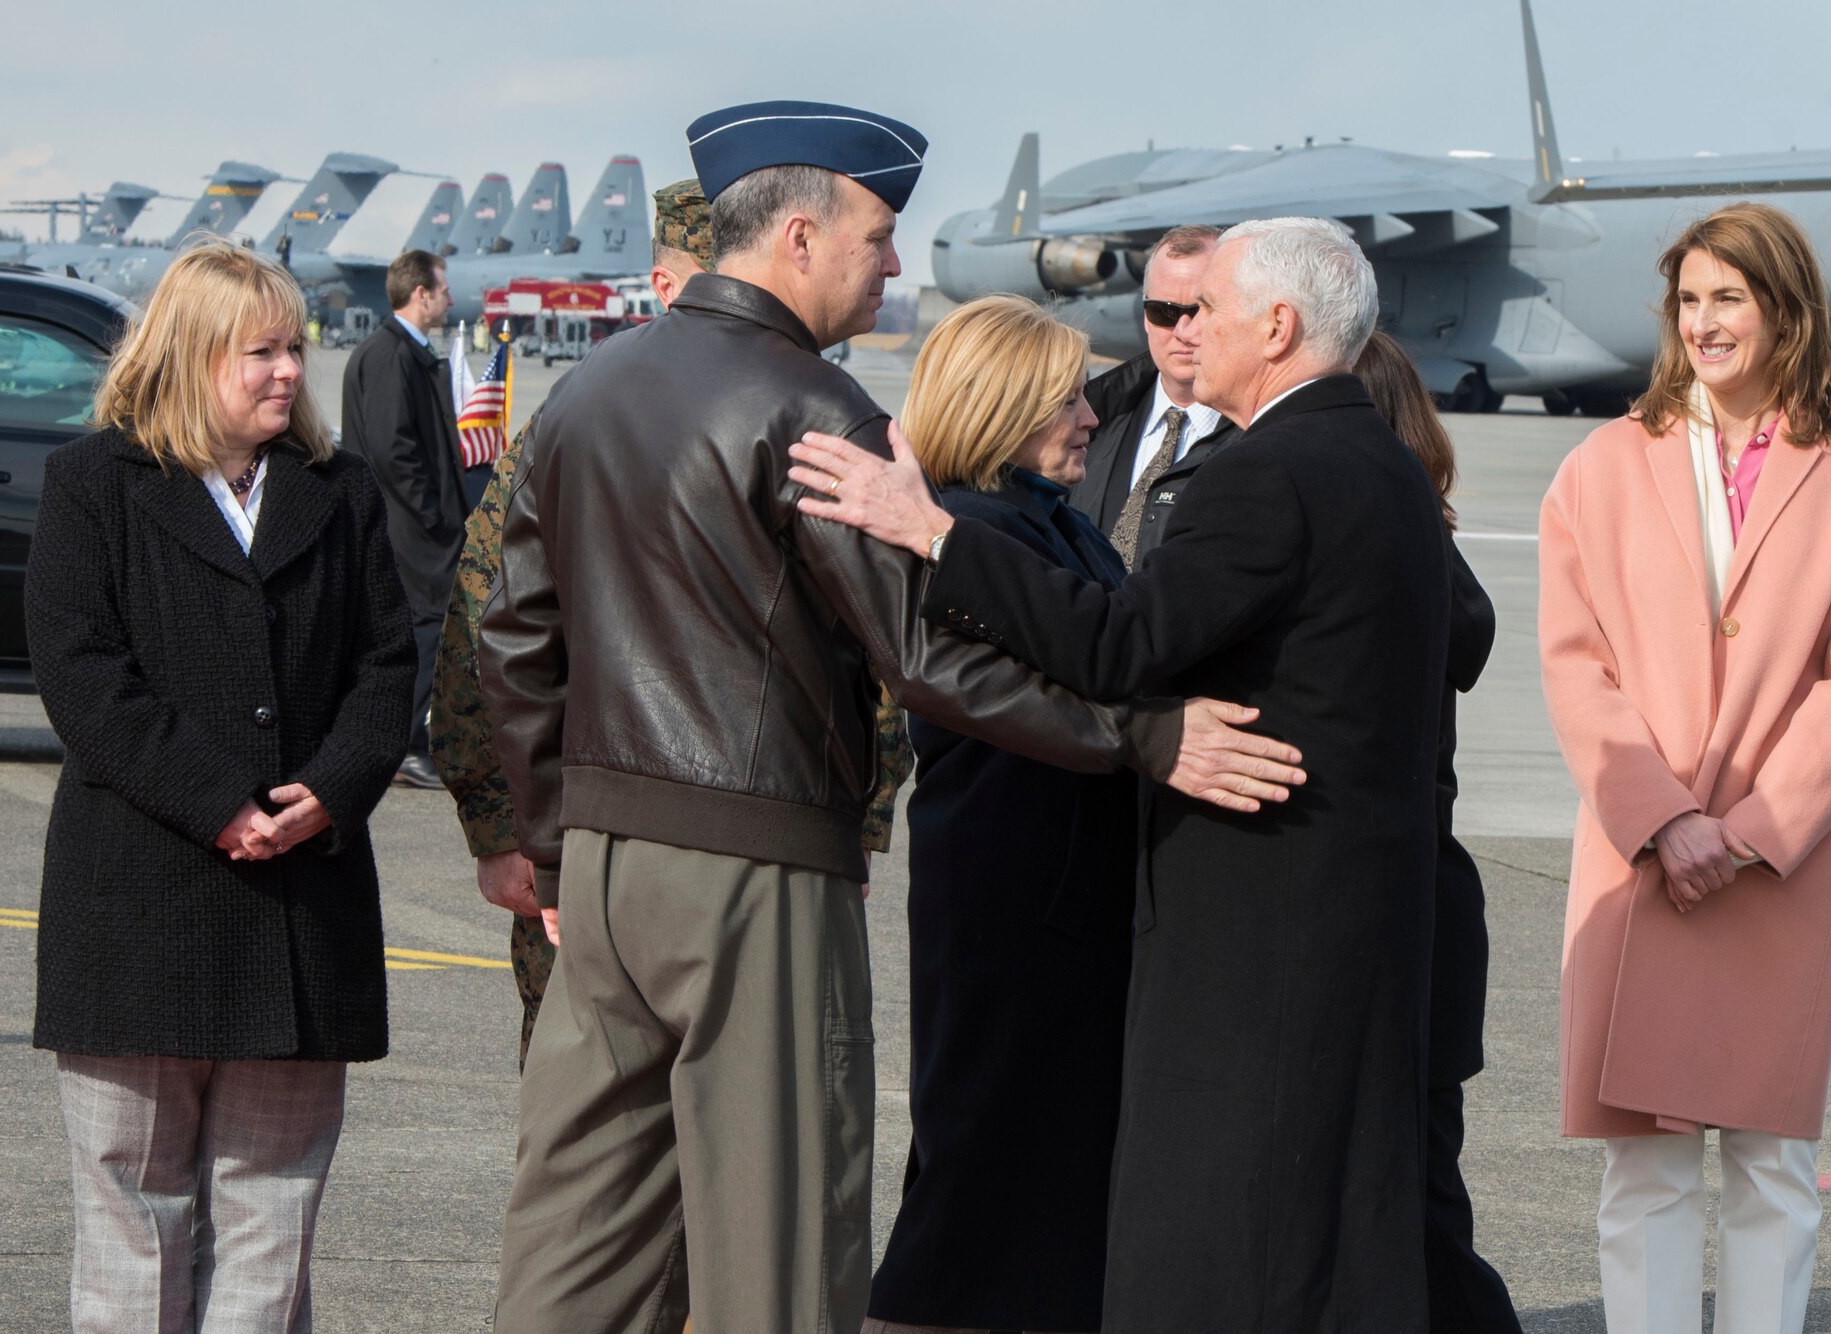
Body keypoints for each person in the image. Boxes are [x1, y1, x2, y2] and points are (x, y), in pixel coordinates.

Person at [479, 102, 1299, 1334]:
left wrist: (550, 840)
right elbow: (922, 657)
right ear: (799, 236)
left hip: (600, 866)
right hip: (752, 865)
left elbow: (515, 640)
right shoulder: (811, 409)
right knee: (780, 1243)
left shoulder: (587, 391)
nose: (893, 265)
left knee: (580, 1240)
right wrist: (1142, 735)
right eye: (878, 235)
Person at [792, 216, 1452, 1331]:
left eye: (1209, 311)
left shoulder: (1264, 473)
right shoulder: (1379, 464)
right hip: (1318, 894)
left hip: (1258, 907)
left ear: (1277, 327)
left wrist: (935, 530)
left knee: (1236, 1206)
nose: (1183, 335)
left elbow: (1118, 643)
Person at [430, 181, 916, 1068]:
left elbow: (866, 657)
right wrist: (504, 824)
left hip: (683, 835)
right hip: (603, 839)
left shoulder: (808, 416)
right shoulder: (589, 412)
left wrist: (864, 815)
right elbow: (488, 621)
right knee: (602, 1102)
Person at [22, 237, 415, 1331]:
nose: (291, 370)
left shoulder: (338, 493)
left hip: (301, 909)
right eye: (262, 352)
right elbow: (84, 677)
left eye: (296, 347)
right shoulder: (93, 484)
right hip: (138, 908)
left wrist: (332, 787)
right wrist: (221, 804)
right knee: (132, 1227)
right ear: (191, 357)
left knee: (271, 1226)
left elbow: (388, 665)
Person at [1537, 202, 1831, 1334]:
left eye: (1727, 298)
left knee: (1770, 1161)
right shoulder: (1601, 465)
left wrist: (1745, 828)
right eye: (1688, 300)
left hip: (1781, 866)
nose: (1702, 322)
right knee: (1640, 1166)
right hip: (1638, 855)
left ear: (1782, 308)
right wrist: (1662, 815)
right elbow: (1573, 663)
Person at [862, 297, 1134, 1334]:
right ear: (1006, 404)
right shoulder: (967, 529)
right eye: (1065, 395)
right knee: (983, 1146)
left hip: (1055, 878)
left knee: (1035, 1150)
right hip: (1012, 883)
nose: (1086, 415)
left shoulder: (1041, 516)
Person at [1355, 330, 1522, 1334]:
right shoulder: (1431, 548)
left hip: (1404, 910)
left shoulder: (1404, 549)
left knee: (1415, 1193)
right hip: (1432, 901)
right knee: (1415, 1180)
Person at [342, 248, 465, 790]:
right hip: (411, 529)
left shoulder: (403, 352)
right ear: (421, 294)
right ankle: (409, 746)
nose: (449, 298)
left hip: (411, 523)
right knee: (424, 632)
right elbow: (395, 451)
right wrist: (434, 516)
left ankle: (408, 742)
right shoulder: (391, 355)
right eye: (442, 289)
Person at [1071, 224, 1238, 568]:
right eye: (1164, 312)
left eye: (1200, 311)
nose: (1183, 332)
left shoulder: (1264, 431)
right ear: (1145, 317)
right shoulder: (1092, 419)